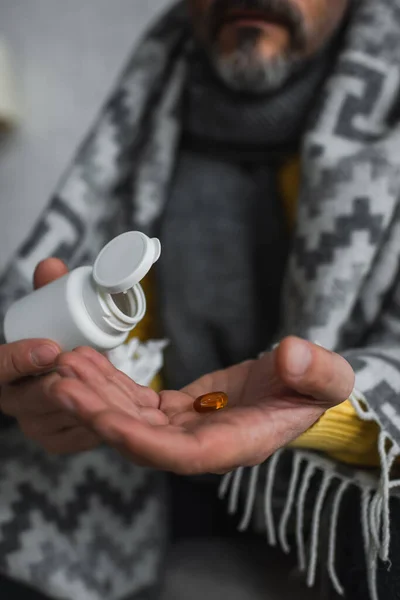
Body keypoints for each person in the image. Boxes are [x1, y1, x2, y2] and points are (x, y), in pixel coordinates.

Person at [0, 0, 400, 599]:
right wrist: (44, 402)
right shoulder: (152, 99)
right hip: (152, 469)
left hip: (335, 488)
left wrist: (331, 414)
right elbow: (82, 351)